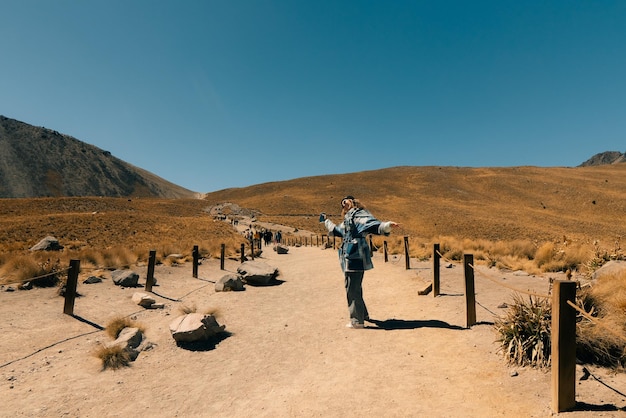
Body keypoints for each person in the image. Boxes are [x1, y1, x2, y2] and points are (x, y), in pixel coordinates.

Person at [321, 195, 399, 329]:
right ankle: (363, 315)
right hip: (350, 256)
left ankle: (357, 321)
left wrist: (386, 225)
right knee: (354, 287)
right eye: (342, 204)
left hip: (355, 255)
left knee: (352, 288)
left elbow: (372, 225)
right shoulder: (348, 219)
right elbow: (338, 230)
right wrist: (326, 221)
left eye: (345, 201)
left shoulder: (358, 215)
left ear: (352, 201)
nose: (343, 204)